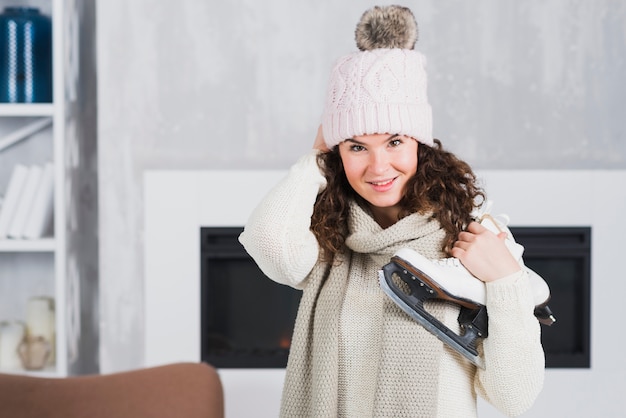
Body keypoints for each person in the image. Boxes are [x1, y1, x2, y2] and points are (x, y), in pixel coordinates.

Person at [239, 5, 545, 417]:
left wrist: (506, 279)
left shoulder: (469, 239)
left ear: (420, 144)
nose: (378, 167)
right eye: (357, 146)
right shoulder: (327, 243)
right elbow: (268, 240)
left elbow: (513, 397)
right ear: (337, 153)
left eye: (395, 141)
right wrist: (314, 156)